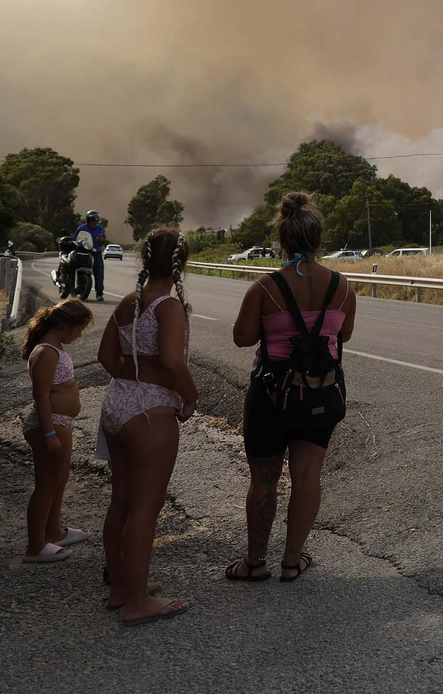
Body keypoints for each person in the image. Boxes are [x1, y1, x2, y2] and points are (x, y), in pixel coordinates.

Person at [225, 192, 358, 583]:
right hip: (319, 392)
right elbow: (344, 333)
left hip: (270, 393)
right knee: (306, 476)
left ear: (282, 240)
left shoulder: (265, 288)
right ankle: (291, 561)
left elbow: (241, 338)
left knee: (264, 479)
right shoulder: (343, 286)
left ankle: (254, 563)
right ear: (319, 240)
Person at [96, 228, 200, 625]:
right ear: (182, 264)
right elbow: (174, 363)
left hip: (117, 405)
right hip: (150, 412)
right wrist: (190, 398)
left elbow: (107, 356)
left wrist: (134, 377)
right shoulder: (168, 307)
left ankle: (122, 586)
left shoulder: (128, 303)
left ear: (143, 259)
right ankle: (138, 602)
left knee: (121, 499)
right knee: (145, 507)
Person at [19, 298, 95, 562]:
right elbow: (41, 395)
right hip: (49, 425)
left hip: (61, 423)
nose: (79, 335)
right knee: (46, 485)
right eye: (78, 329)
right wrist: (49, 434)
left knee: (59, 480)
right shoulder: (46, 353)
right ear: (64, 325)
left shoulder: (55, 349)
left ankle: (53, 531)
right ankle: (35, 547)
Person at [73, 209, 108, 301]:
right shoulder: (81, 228)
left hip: (96, 253)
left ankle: (99, 294)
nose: (95, 223)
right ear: (89, 220)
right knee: (81, 271)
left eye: (96, 221)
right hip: (84, 254)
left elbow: (103, 239)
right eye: (93, 221)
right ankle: (81, 290)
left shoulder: (99, 228)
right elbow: (75, 239)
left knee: (99, 274)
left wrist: (100, 240)